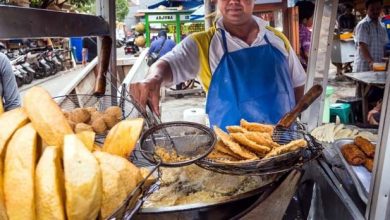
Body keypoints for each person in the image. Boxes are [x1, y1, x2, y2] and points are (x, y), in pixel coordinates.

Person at [130, 0, 306, 129]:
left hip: (285, 147)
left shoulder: (278, 39)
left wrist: (293, 124)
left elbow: (298, 84)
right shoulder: (202, 44)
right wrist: (154, 78)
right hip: (231, 155)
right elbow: (167, 64)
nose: (234, 2)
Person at [353, 0, 388, 72]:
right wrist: (371, 62)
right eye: (372, 9)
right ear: (366, 10)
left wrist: (385, 59)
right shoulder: (363, 25)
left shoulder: (382, 26)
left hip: (378, 67)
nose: (375, 11)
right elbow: (362, 46)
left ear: (381, 9)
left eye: (378, 9)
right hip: (364, 67)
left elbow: (384, 46)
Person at [296, 1, 315, 71]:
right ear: (304, 20)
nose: (314, 20)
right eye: (313, 17)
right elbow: (308, 54)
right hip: (302, 69)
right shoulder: (306, 33)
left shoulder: (291, 29)